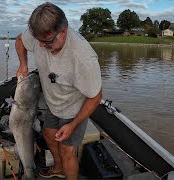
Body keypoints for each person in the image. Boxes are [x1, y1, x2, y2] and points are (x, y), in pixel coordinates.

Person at [15, 2, 102, 179]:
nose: (39, 46)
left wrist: (73, 124)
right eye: (38, 40)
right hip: (53, 102)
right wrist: (23, 64)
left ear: (62, 33)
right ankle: (58, 168)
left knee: (67, 150)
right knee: (48, 134)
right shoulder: (40, 38)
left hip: (74, 109)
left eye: (46, 41)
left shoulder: (83, 58)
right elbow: (20, 41)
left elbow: (96, 96)